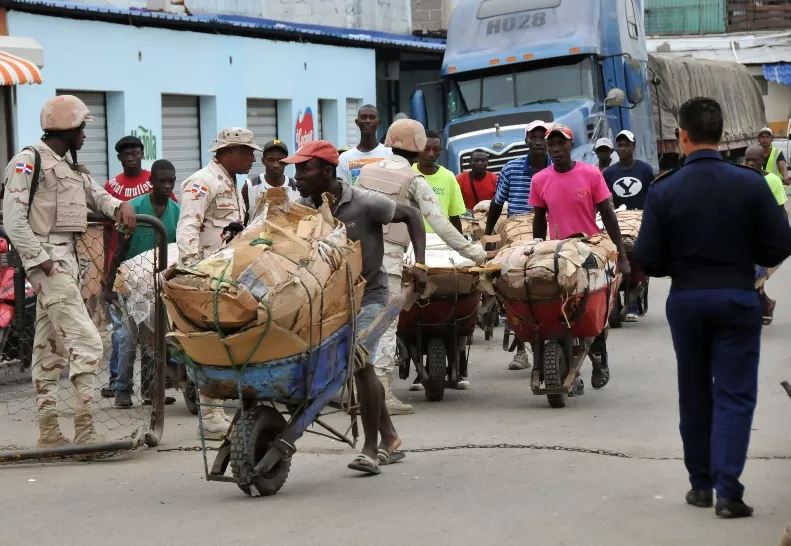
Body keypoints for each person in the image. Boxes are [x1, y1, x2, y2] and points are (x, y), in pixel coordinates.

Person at [633, 97, 791, 518]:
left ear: (682, 136)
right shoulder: (750, 182)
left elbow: (647, 257)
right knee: (736, 394)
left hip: (686, 299)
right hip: (738, 297)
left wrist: (677, 265)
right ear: (722, 135)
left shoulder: (665, 188)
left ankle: (700, 487)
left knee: (695, 392)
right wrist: (748, 258)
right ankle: (730, 493)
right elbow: (780, 243)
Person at [286, 139, 428, 475]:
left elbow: (412, 215)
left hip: (369, 294)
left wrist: (420, 264)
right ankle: (390, 437)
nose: (297, 174)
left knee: (359, 360)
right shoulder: (303, 208)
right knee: (357, 364)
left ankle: (370, 448)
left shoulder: (363, 202)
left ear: (327, 170)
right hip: (328, 300)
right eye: (297, 168)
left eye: (304, 168)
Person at [2, 95, 136, 447]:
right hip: (50, 266)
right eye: (81, 128)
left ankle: (49, 432)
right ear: (68, 128)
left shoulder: (68, 165)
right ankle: (85, 429)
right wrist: (40, 259)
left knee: (48, 349)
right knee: (89, 342)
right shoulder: (28, 161)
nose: (85, 135)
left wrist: (121, 206)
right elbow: (13, 220)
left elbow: (96, 196)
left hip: (67, 266)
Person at [358, 119, 489, 410]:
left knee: (363, 324)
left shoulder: (366, 172)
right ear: (419, 149)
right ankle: (383, 395)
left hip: (358, 257)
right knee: (387, 326)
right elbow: (439, 223)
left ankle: (359, 390)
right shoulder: (413, 180)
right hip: (389, 260)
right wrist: (476, 254)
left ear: (389, 142)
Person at [529, 124, 630, 394]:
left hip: (590, 249)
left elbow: (608, 214)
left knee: (592, 312)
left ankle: (599, 356)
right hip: (558, 251)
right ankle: (561, 360)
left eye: (561, 144)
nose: (556, 149)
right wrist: (535, 250)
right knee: (554, 306)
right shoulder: (540, 179)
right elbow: (539, 221)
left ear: (571, 146)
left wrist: (620, 255)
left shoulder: (591, 174)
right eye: (552, 145)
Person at [176, 127, 260, 439]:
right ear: (229, 152)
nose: (253, 158)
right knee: (210, 342)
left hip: (228, 275)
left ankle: (217, 408)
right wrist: (190, 273)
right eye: (248, 152)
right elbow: (188, 226)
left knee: (224, 341)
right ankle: (210, 414)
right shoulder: (202, 181)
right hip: (207, 276)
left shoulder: (234, 183)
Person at [101, 136, 175, 399]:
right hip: (129, 281)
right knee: (127, 338)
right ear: (151, 182)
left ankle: (150, 391)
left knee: (155, 339)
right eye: (162, 181)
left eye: (171, 181)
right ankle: (122, 388)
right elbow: (119, 247)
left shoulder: (176, 211)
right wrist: (108, 284)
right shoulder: (137, 208)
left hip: (158, 283)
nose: (167, 186)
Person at [485, 120, 551, 371]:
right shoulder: (511, 169)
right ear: (526, 141)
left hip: (546, 232)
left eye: (541, 136)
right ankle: (522, 351)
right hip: (515, 234)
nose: (537, 141)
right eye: (532, 137)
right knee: (512, 288)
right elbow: (497, 203)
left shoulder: (556, 167)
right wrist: (489, 234)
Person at [603, 130, 656, 322]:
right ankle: (615, 301)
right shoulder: (609, 173)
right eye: (620, 145)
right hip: (617, 223)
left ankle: (633, 304)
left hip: (639, 223)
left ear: (634, 147)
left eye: (627, 145)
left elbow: (653, 196)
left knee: (636, 262)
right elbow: (604, 200)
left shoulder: (645, 170)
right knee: (614, 260)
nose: (623, 149)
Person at [743, 144, 789, 325]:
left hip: (762, 237)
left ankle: (762, 304)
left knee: (752, 275)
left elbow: (781, 210)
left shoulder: (772, 181)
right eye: (747, 159)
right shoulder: (737, 178)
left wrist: (785, 234)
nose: (750, 163)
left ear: (763, 161)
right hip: (742, 235)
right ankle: (764, 304)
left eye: (755, 160)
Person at [413, 130, 468, 233]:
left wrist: (460, 247)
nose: (431, 154)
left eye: (436, 150)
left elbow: (454, 217)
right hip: (412, 240)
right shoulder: (407, 173)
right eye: (426, 149)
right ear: (418, 148)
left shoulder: (448, 177)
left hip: (440, 241)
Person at [242, 139, 300, 222]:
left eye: (280, 160)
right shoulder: (250, 186)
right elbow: (243, 220)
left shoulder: (296, 188)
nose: (276, 165)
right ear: (263, 161)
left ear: (286, 162)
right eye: (271, 160)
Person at [337, 105, 392, 185]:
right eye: (363, 117)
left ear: (378, 123)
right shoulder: (345, 158)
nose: (368, 121)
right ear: (357, 122)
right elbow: (344, 191)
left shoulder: (389, 153)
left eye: (372, 117)